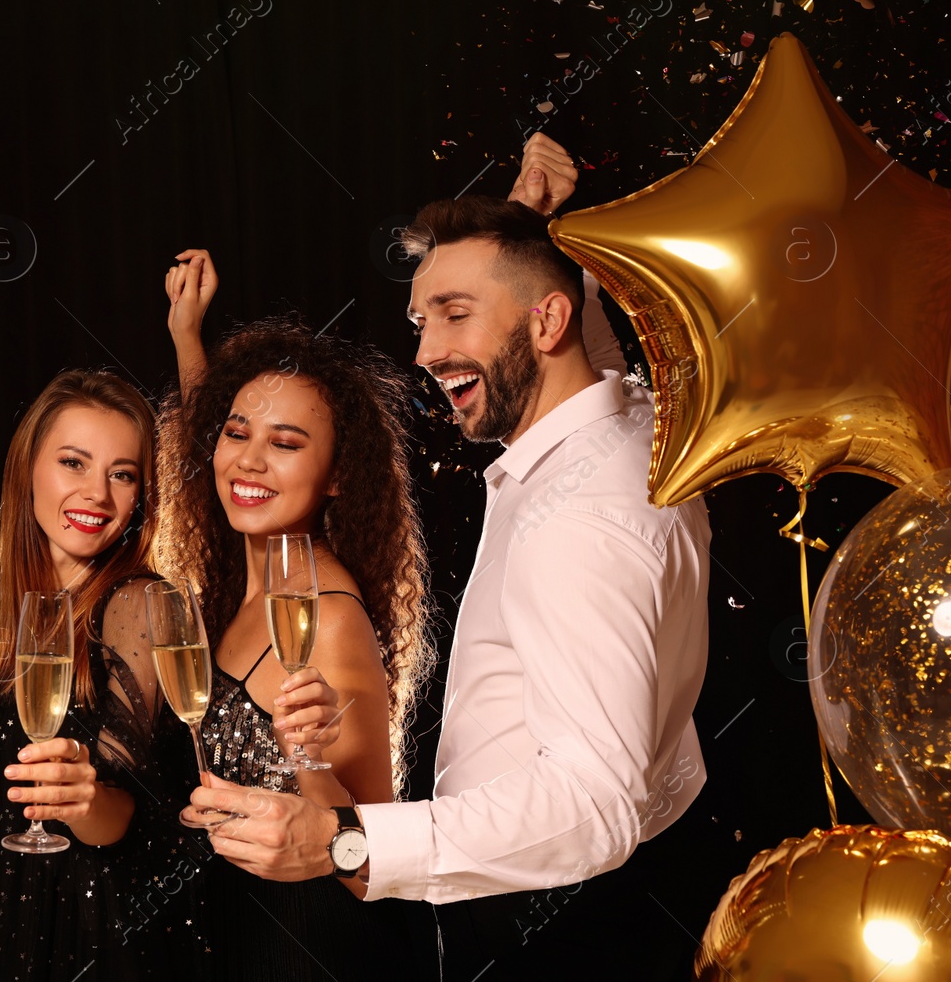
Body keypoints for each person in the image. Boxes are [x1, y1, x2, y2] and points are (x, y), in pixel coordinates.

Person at [186, 139, 715, 979]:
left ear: (547, 320)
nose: (426, 351)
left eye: (455, 314)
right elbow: (596, 360)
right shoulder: (638, 425)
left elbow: (593, 805)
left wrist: (350, 841)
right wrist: (526, 236)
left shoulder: (577, 521)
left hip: (552, 916)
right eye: (421, 319)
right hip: (603, 888)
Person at [158, 292, 438, 979]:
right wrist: (186, 335)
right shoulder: (238, 582)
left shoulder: (329, 615)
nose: (250, 460)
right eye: (237, 432)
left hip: (313, 950)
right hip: (235, 939)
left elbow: (370, 858)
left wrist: (310, 759)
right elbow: (206, 441)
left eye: (285, 444)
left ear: (339, 474)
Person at [0, 370, 209, 981]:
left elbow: (136, 813)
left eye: (122, 474)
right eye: (74, 463)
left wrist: (87, 802)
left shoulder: (139, 606)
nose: (97, 492)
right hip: (1, 943)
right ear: (28, 471)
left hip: (96, 945)